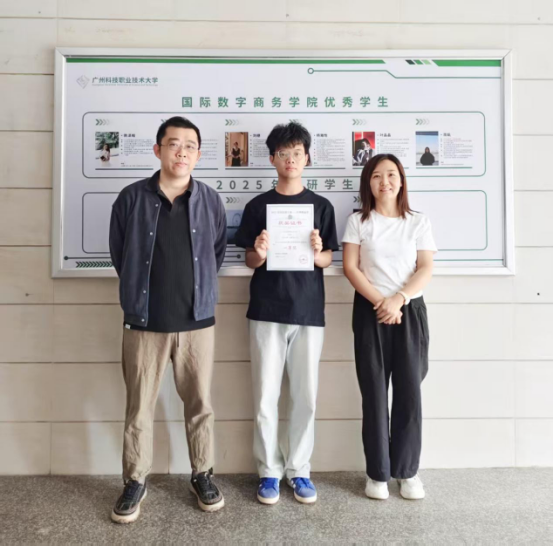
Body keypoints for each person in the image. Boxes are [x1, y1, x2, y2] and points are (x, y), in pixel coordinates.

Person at [109, 116, 228, 524]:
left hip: (197, 322)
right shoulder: (131, 198)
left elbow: (215, 252)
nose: (182, 152)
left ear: (198, 154)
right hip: (144, 322)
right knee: (139, 406)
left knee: (200, 404)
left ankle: (203, 474)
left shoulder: (210, 200)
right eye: (174, 144)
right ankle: (135, 480)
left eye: (190, 145)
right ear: (158, 150)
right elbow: (120, 253)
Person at [235, 122, 339, 506]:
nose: (290, 160)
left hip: (308, 310)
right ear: (272, 159)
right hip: (266, 309)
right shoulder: (257, 206)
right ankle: (268, 472)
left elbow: (328, 260)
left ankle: (299, 469)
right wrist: (260, 253)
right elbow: (249, 260)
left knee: (305, 396)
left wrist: (317, 252)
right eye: (283, 153)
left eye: (297, 153)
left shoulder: (322, 207)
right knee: (265, 396)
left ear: (307, 158)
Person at [342, 154, 437, 502]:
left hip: (409, 310)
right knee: (374, 393)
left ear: (401, 180)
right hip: (371, 311)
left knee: (410, 392)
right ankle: (377, 473)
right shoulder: (358, 221)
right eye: (377, 175)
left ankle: (407, 472)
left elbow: (425, 268)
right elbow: (351, 267)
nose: (385, 181)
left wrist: (398, 299)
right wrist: (382, 302)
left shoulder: (418, 221)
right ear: (368, 182)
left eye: (392, 174)